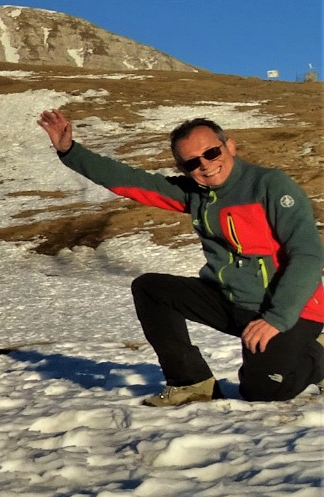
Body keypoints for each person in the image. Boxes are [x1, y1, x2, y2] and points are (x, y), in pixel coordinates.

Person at [36, 109, 324, 406]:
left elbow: (308, 255)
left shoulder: (269, 185)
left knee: (262, 390)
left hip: (290, 309)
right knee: (151, 288)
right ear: (184, 167)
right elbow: (132, 181)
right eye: (193, 162)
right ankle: (192, 383)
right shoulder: (196, 194)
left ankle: (318, 354)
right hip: (233, 302)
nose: (206, 165)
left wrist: (276, 319)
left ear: (230, 146)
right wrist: (71, 151)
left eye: (212, 152)